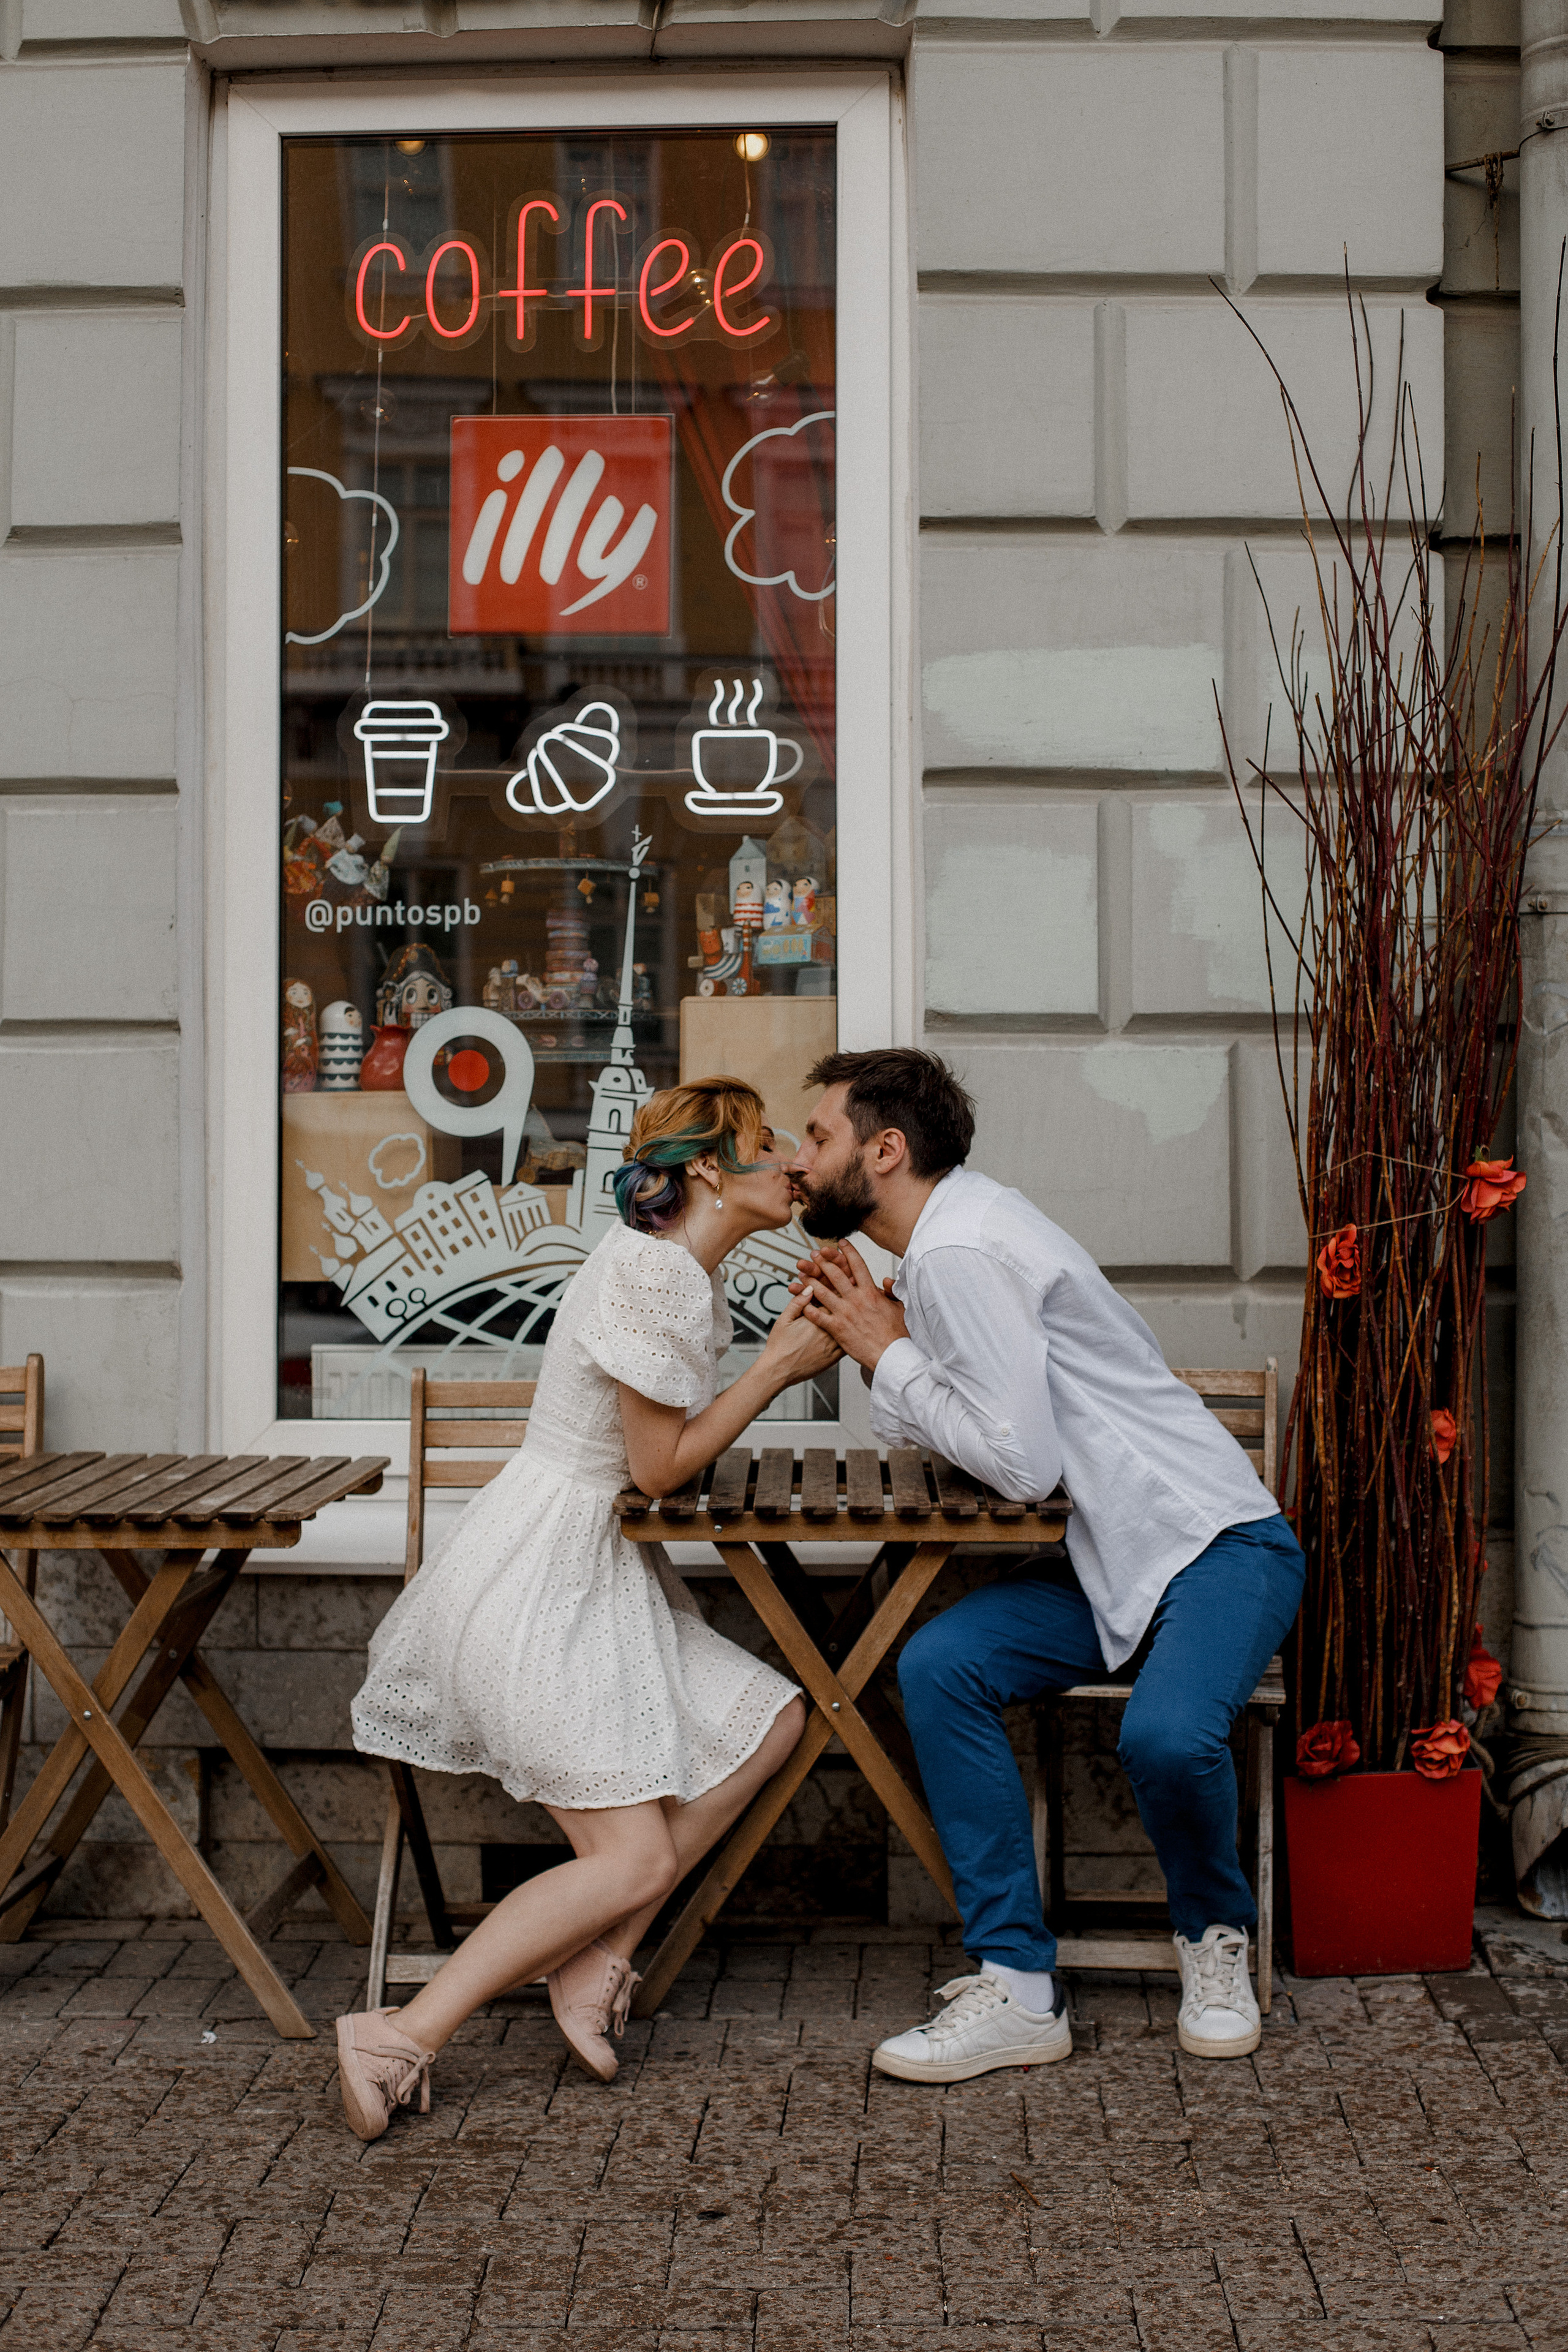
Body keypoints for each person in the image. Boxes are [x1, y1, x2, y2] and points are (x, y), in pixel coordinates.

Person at [334, 1077, 839, 2140]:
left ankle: (597, 1958)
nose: (794, 1157)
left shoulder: (672, 1272)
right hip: (542, 1595)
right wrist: (782, 1368)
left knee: (772, 1717)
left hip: (579, 1577)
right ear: (710, 1167)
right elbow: (657, 1469)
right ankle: (401, 2033)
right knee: (634, 1858)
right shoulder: (655, 1274)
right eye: (768, 1141)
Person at [787, 1048, 1304, 2081]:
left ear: (885, 1151)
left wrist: (886, 1350)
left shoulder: (959, 1253)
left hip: (1217, 1548)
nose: (797, 1161)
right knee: (942, 1666)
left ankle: (1213, 1939)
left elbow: (1021, 1466)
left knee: (1163, 1737)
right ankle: (1021, 1988)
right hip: (1114, 1562)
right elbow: (980, 1431)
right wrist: (891, 1340)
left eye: (817, 1137)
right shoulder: (951, 1239)